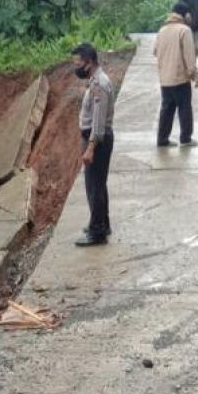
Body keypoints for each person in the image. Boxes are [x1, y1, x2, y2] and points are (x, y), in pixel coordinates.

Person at [71, 42, 116, 247]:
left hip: (97, 140)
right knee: (98, 185)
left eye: (78, 63)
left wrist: (90, 147)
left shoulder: (98, 85)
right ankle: (101, 224)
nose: (76, 67)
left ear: (89, 63)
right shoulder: (95, 80)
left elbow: (98, 122)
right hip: (97, 139)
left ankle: (97, 232)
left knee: (94, 187)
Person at [154, 2, 198, 149]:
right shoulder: (184, 30)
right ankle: (186, 138)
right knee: (184, 108)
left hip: (165, 79)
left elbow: (155, 51)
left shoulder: (162, 30)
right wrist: (194, 74)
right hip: (180, 78)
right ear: (185, 15)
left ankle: (162, 140)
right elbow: (189, 56)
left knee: (166, 109)